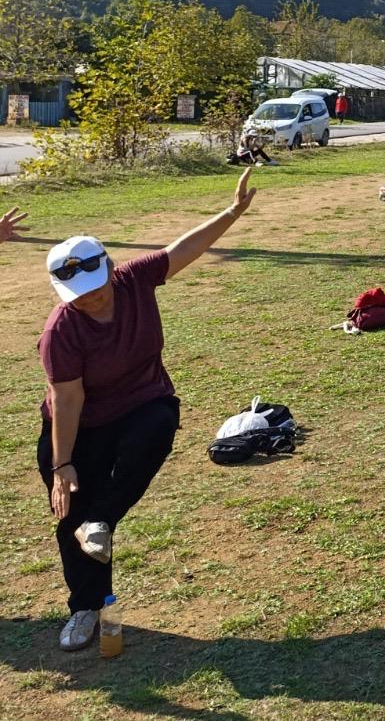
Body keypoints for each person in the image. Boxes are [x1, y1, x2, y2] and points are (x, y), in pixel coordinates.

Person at [36, 169, 257, 651]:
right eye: (78, 295)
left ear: (111, 268)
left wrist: (232, 212)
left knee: (156, 427)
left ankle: (104, 518)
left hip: (141, 404)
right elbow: (67, 400)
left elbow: (183, 250)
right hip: (80, 425)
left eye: (97, 286)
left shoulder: (134, 280)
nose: (90, 298)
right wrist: (62, 464)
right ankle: (86, 609)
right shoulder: (62, 331)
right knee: (72, 517)